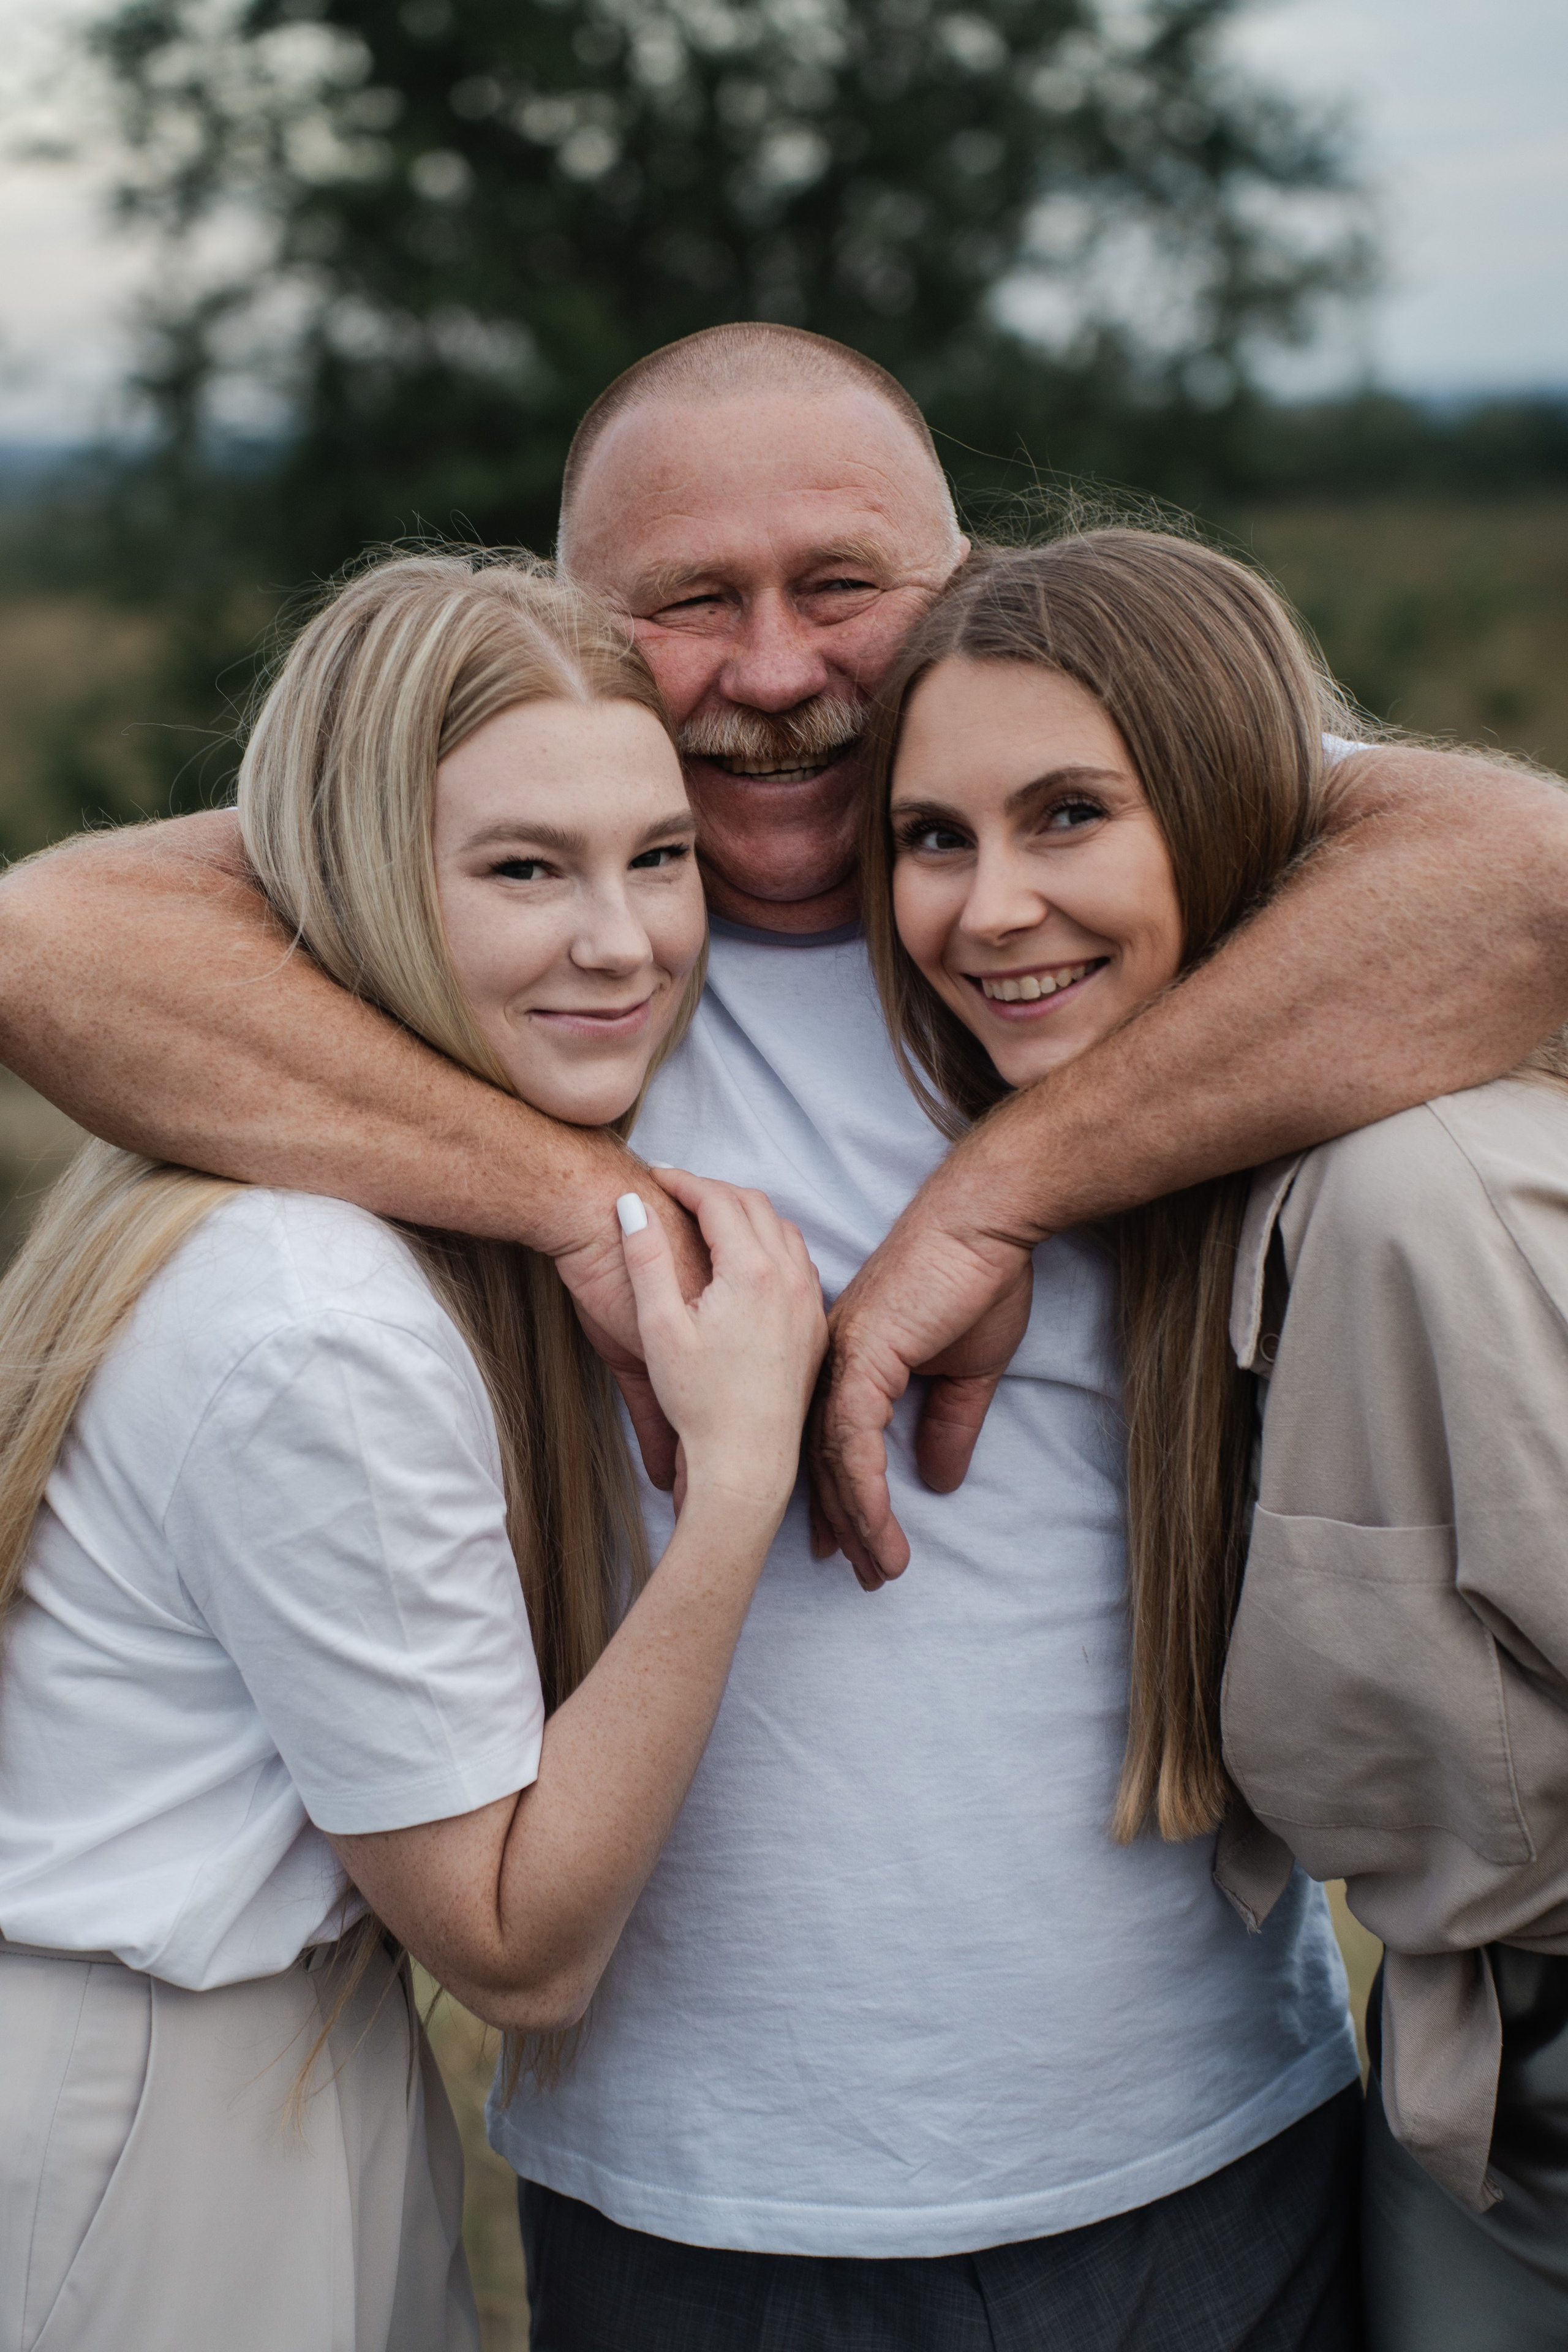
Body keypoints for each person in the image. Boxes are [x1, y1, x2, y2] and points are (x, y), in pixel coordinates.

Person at [2, 326, 1568, 2346]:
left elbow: (1526, 881)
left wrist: (1001, 1191)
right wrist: (591, 1205)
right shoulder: (550, 926)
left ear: (956, 575)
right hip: (687, 2194)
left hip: (1191, 2143)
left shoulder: (1105, 852)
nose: (768, 671)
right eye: (683, 606)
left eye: (841, 587)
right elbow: (47, 947)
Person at [0, 550, 824, 2352]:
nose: (623, 943)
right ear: (370, 880)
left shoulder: (307, 1177)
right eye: (524, 869)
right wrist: (739, 1475)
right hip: (157, 2105)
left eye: (657, 857)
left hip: (274, 2053)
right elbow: (517, 1939)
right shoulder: (320, 1315)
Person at [863, 524, 1568, 2352]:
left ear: (1238, 807)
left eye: (1071, 815)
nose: (989, 907)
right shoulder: (1182, 1165)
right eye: (935, 838)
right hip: (1463, 2086)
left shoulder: (1423, 1198)